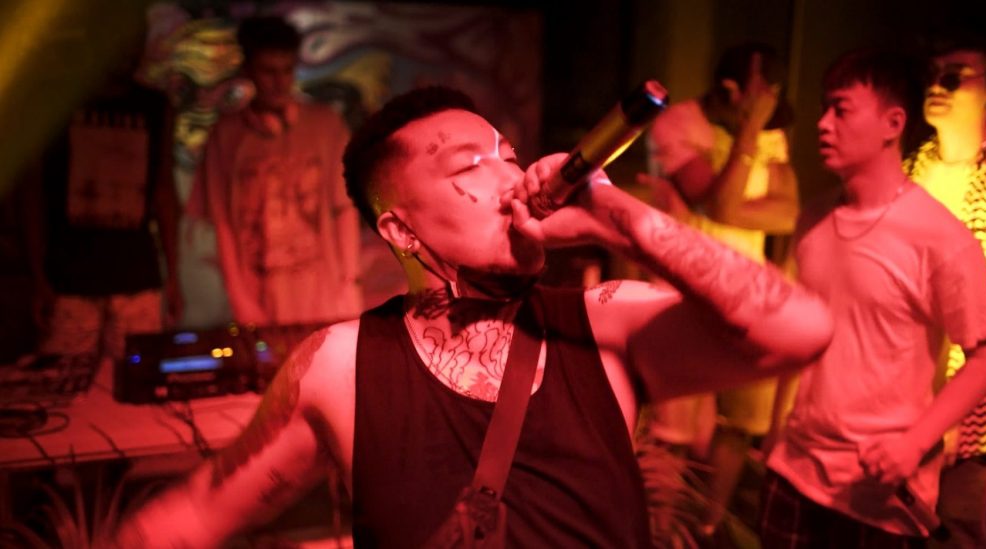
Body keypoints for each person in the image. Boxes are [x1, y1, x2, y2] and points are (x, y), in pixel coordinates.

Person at [113, 86, 834, 547]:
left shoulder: (604, 324)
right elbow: (194, 515)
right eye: (469, 166)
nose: (510, 177)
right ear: (399, 230)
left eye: (510, 157)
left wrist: (621, 217)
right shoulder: (340, 366)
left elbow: (802, 330)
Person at [760, 49, 986, 548]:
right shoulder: (813, 218)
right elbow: (799, 337)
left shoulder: (940, 237)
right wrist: (774, 438)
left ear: (893, 123)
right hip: (794, 472)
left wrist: (915, 442)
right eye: (824, 109)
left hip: (877, 494)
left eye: (841, 109)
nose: (823, 124)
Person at [645, 42, 799, 539]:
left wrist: (736, 203)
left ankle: (709, 529)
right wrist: (750, 134)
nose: (765, 118)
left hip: (746, 294)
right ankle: (660, 535)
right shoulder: (678, 124)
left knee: (739, 425)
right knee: (672, 432)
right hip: (684, 295)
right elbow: (713, 203)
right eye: (758, 105)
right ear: (732, 92)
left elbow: (788, 212)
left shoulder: (768, 130)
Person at [904, 35, 986, 548]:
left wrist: (948, 408)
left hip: (971, 404)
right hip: (903, 386)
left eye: (954, 76)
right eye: (933, 73)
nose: (937, 85)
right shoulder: (914, 166)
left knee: (955, 524)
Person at [188, 15, 362, 326]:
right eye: (268, 71)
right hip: (259, 295)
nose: (279, 82)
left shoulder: (326, 125)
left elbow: (343, 209)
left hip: (323, 292)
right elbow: (223, 225)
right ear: (248, 71)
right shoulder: (226, 135)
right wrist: (239, 299)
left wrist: (350, 283)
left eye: (287, 70)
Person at [24, 45, 181, 368]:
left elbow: (164, 193)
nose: (126, 55)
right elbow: (33, 195)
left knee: (137, 381)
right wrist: (38, 277)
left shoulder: (154, 106)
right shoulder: (56, 101)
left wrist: (174, 276)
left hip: (136, 277)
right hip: (69, 279)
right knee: (64, 383)